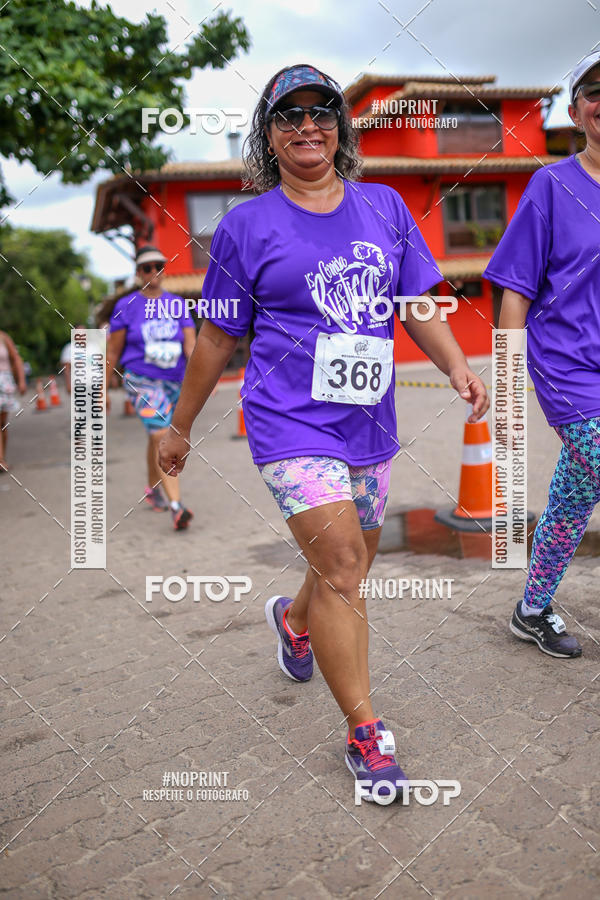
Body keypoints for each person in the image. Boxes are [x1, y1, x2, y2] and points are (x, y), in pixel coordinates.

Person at [158, 63, 488, 801]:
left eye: (322, 112)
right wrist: (179, 428)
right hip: (288, 419)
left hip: (368, 419)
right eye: (288, 116)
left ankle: (294, 620)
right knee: (343, 562)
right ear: (268, 136)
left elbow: (418, 305)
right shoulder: (246, 226)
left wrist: (461, 367)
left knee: (349, 563)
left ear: (339, 129)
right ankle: (366, 733)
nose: (307, 125)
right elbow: (216, 338)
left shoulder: (386, 207)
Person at [485, 51, 600, 660]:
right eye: (594, 91)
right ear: (577, 110)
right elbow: (515, 290)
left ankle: (531, 609)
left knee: (575, 496)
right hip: (568, 369)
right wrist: (506, 389)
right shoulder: (551, 186)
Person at [106, 245, 196, 530]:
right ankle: (177, 507)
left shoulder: (178, 305)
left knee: (155, 436)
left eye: (158, 266)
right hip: (141, 379)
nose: (153, 272)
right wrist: (101, 390)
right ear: (137, 273)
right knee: (161, 434)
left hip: (175, 379)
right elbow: (112, 352)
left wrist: (203, 378)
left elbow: (191, 345)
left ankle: (151, 488)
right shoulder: (126, 307)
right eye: (147, 267)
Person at [0, 331, 26, 472]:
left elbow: (16, 358)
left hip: (4, 382)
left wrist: (21, 380)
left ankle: (1, 458)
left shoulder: (3, 337)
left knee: (2, 424)